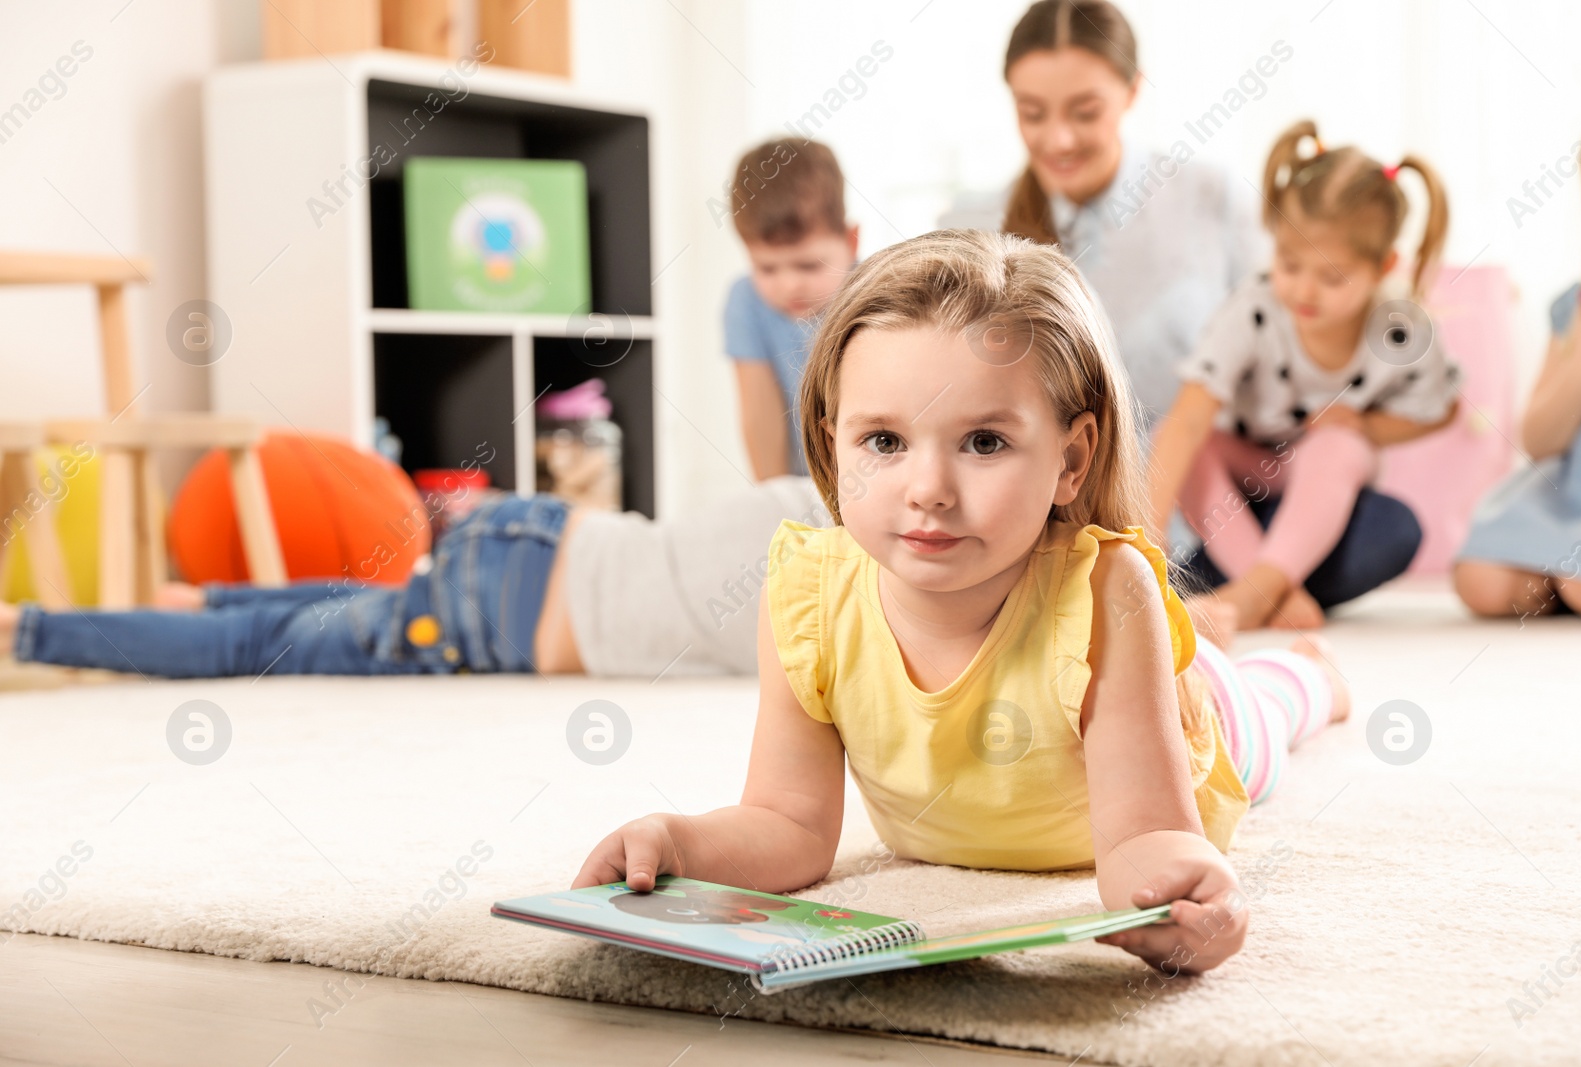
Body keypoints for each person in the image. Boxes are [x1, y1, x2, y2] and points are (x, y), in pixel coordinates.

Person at [573, 231, 1349, 976]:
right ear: (832, 442)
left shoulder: (1109, 591)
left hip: (1193, 721)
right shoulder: (806, 593)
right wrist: (678, 841)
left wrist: (1179, 896)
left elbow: (1144, 833)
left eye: (983, 442)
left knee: (1262, 710)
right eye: (883, 441)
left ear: (1072, 461)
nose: (929, 491)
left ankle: (1311, 675)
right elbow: (789, 824)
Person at [941, 0, 1424, 609]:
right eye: (1032, 113)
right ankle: (1217, 592)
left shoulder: (1209, 193)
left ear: (1132, 91)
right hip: (1053, 506)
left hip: (1217, 499)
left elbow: (1292, 332)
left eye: (1085, 111)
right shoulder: (973, 228)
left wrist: (1349, 418)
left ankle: (1231, 588)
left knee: (1390, 528)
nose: (1058, 138)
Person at [0, 477, 826, 679]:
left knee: (375, 607)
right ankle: (27, 630)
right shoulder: (833, 612)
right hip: (502, 617)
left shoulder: (814, 494)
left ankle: (207, 595)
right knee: (263, 646)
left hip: (539, 526)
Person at [1147, 120, 1458, 631]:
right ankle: (1269, 594)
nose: (1305, 291)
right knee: (1187, 446)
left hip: (1323, 492)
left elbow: (1441, 408)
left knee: (1348, 459)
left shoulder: (1401, 327)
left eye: (1331, 277)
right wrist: (1147, 541)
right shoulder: (1254, 309)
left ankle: (1255, 593)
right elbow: (1186, 422)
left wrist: (1368, 427)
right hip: (1247, 491)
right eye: (1290, 264)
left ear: (1384, 268)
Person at [1454, 120, 1581, 622]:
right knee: (1482, 582)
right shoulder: (1579, 311)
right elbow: (1538, 439)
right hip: (1579, 498)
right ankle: (1562, 574)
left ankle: (1572, 580)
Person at [724, 139, 859, 479]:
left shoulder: (878, 291)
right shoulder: (746, 300)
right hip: (802, 486)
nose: (788, 286)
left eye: (808, 266)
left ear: (851, 240)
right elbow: (759, 416)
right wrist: (775, 499)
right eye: (767, 268)